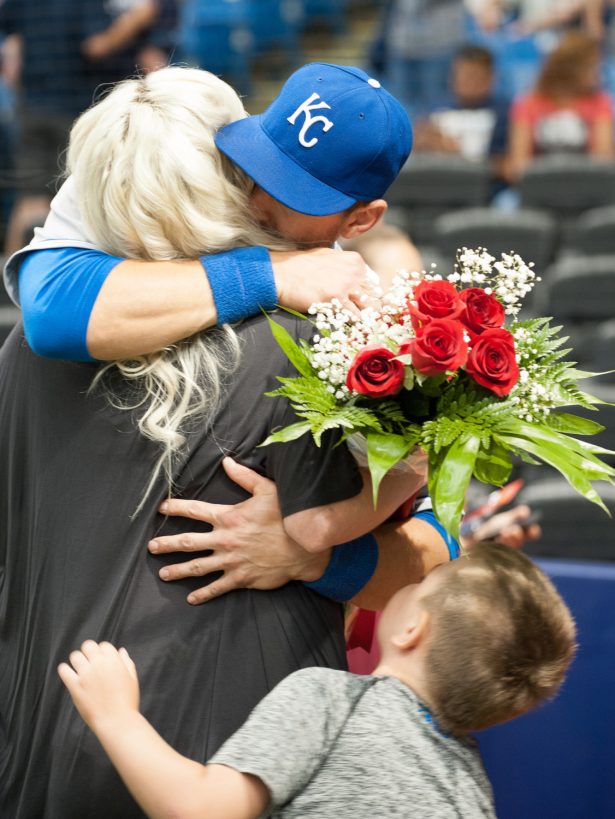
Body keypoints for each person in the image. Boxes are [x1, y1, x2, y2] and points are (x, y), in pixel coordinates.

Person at [0, 64, 453, 818]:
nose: (260, 197)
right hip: (228, 761)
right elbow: (434, 566)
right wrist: (324, 549)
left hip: (41, 748)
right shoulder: (305, 341)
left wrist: (311, 549)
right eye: (245, 171)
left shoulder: (22, 351)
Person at [58, 543, 577, 819]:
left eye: (419, 584)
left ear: (413, 628)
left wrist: (116, 716)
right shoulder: (470, 788)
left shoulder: (332, 700)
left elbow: (198, 809)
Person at [0, 0, 159, 256]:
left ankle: (13, 286)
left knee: (29, 200)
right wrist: (137, 19)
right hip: (77, 115)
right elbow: (95, 46)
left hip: (32, 107)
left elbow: (12, 47)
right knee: (77, 201)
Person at [506, 30, 614, 181]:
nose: (598, 74)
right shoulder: (528, 103)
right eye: (593, 67)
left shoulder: (601, 102)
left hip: (587, 186)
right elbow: (519, 163)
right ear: (571, 67)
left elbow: (604, 158)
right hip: (539, 186)